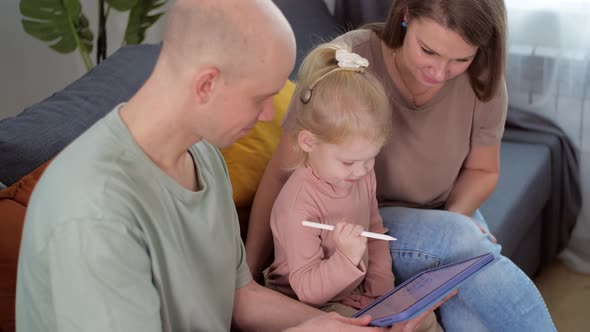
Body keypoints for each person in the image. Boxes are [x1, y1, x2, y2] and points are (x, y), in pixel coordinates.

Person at [14, 0, 452, 331]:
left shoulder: (203, 156)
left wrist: (329, 325)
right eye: (261, 97)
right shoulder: (94, 213)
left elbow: (239, 297)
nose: (270, 116)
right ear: (207, 83)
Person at [245, 0, 557, 331]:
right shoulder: (345, 67)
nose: (439, 73)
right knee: (465, 245)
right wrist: (247, 276)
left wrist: (449, 222)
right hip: (365, 215)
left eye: (460, 59)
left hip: (446, 210)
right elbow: (283, 173)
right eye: (429, 51)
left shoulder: (482, 79)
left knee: (469, 283)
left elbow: (484, 171)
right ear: (406, 14)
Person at [265, 42, 442, 332]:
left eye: (370, 159)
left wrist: (381, 291)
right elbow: (308, 290)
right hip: (309, 303)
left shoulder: (359, 175)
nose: (361, 171)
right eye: (350, 162)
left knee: (424, 320)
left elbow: (375, 230)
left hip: (353, 291)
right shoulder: (297, 206)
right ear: (309, 143)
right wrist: (347, 257)